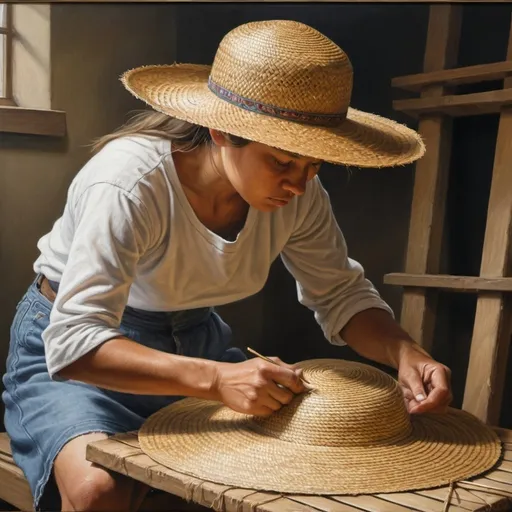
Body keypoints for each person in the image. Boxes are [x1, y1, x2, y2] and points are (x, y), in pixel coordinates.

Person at [2, 19, 452, 512]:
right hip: (77, 357)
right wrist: (218, 380)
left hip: (198, 343)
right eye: (281, 162)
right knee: (99, 493)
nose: (298, 185)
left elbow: (340, 296)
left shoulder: (299, 195)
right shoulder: (129, 183)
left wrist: (404, 350)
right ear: (221, 131)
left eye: (313, 167)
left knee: (292, 462)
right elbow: (74, 346)